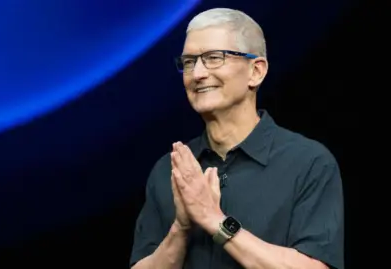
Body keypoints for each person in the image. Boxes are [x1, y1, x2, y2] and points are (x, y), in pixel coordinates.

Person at [129, 7, 344, 269]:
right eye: (188, 62)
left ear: (256, 71)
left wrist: (215, 220)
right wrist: (181, 228)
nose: (197, 74)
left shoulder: (308, 163)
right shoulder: (171, 169)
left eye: (214, 58)